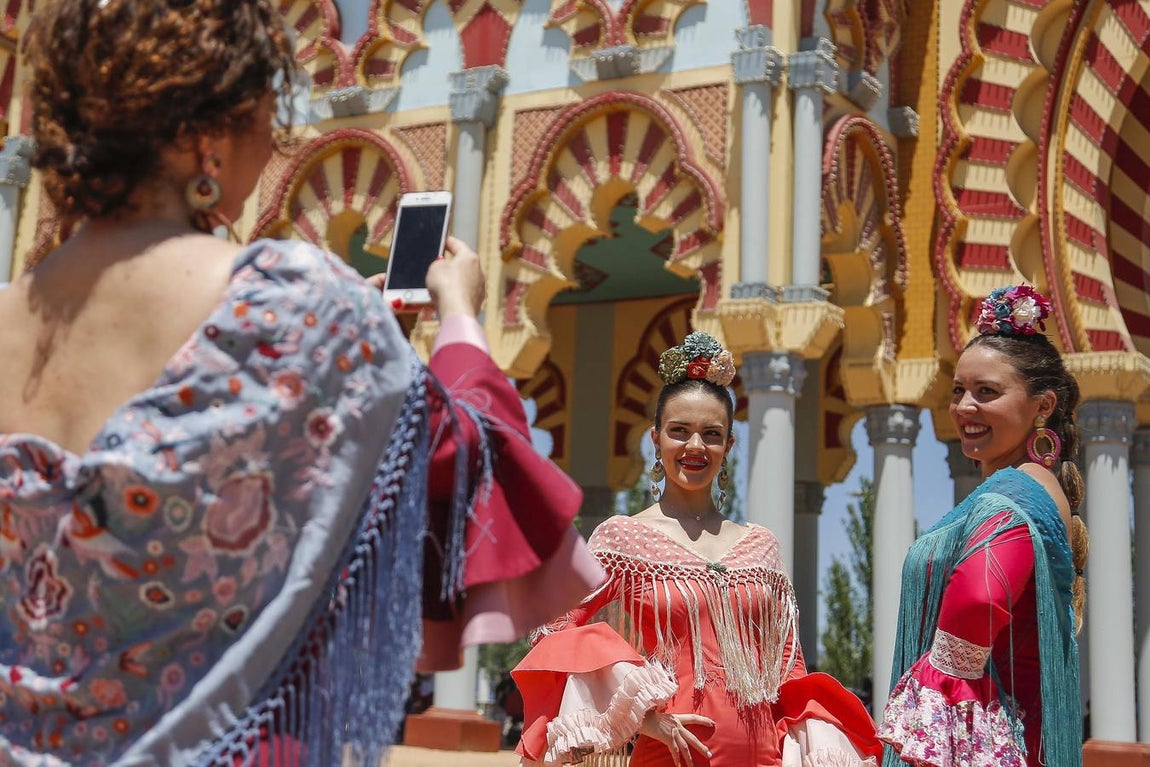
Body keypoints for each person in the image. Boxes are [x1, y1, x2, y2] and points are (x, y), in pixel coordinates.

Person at [0, 1, 603, 764]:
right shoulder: (286, 306)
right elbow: (467, 460)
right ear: (207, 134)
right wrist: (458, 315)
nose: (275, 143)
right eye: (267, 114)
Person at [512, 332, 882, 767]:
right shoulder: (623, 538)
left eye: (711, 434)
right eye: (679, 431)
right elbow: (554, 631)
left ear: (728, 445)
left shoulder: (761, 546)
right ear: (656, 438)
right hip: (672, 753)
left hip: (764, 754)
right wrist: (642, 716)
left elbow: (787, 666)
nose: (694, 447)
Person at [878, 285, 1088, 767]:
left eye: (987, 392)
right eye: (958, 391)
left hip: (991, 744)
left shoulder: (1014, 496)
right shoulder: (1028, 488)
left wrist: (939, 696)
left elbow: (978, 599)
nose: (964, 408)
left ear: (1043, 406)